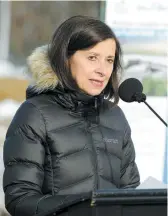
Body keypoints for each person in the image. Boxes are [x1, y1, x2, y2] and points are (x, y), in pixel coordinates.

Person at [3, 15, 140, 216]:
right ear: (65, 58)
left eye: (109, 60)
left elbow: (130, 191)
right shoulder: (34, 114)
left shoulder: (115, 116)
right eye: (92, 57)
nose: (102, 70)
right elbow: (20, 198)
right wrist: (81, 208)